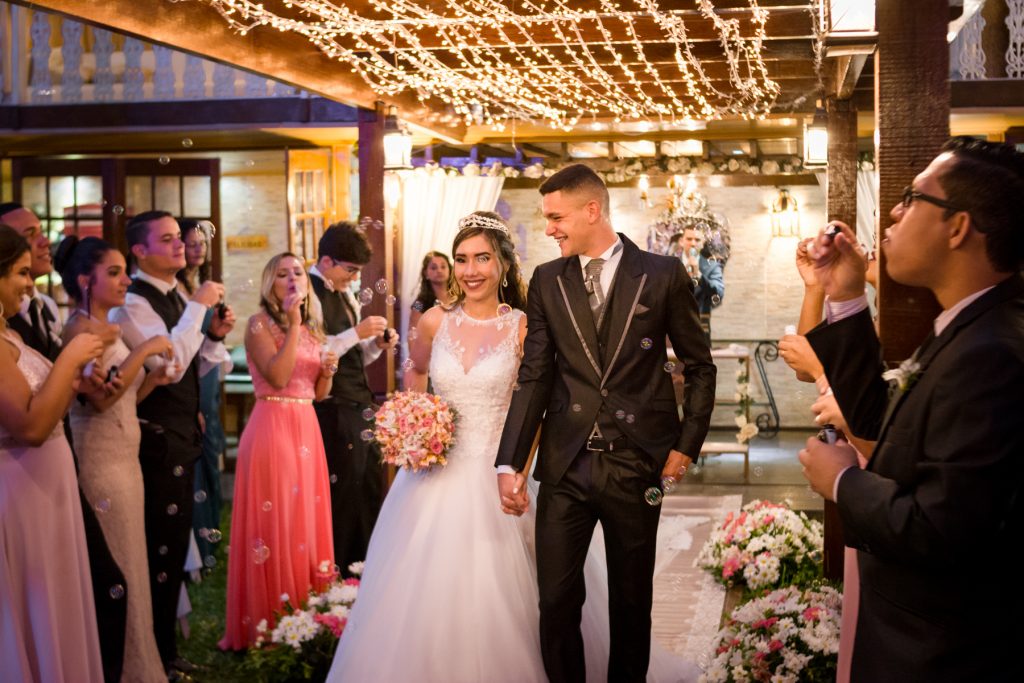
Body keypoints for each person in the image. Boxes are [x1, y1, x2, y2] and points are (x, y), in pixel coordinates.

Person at [798, 137, 1024, 681]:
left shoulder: (993, 351)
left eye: (911, 198)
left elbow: (942, 527)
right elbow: (882, 426)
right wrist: (846, 294)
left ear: (957, 226)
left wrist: (845, 482)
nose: (894, 212)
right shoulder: (966, 326)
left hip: (942, 650)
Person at [496, 164, 716, 683]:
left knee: (631, 603)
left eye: (556, 216)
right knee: (555, 601)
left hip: (636, 463)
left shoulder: (662, 275)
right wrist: (510, 461)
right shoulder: (548, 281)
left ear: (591, 210)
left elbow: (699, 367)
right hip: (565, 466)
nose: (549, 228)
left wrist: (687, 444)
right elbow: (534, 377)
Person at [1, 201, 129, 682]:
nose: (29, 282)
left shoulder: (8, 332)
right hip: (21, 495)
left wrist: (75, 377)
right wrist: (72, 356)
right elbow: (30, 428)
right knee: (34, 609)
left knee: (65, 601)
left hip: (47, 490)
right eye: (18, 273)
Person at [112, 210, 235, 676]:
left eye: (177, 238)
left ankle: (166, 650)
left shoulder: (174, 294)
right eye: (167, 240)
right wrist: (200, 307)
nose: (180, 245)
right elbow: (167, 367)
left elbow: (194, 365)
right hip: (155, 444)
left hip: (182, 435)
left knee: (171, 549)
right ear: (140, 251)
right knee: (158, 550)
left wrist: (212, 338)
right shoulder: (135, 303)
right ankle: (154, 655)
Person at [58, 235, 175, 683]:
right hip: (101, 461)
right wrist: (145, 351)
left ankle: (141, 663)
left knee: (135, 561)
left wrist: (153, 381)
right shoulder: (78, 330)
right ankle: (125, 671)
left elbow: (123, 397)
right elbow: (100, 403)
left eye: (125, 271)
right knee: (119, 565)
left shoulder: (109, 325)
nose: (126, 279)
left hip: (128, 456)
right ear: (85, 280)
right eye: (114, 272)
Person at [220, 252, 339, 649]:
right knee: (278, 521)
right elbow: (279, 376)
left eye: (298, 272)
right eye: (282, 274)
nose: (291, 279)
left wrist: (328, 371)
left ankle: (308, 616)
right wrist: (291, 325)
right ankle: (269, 620)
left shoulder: (312, 327)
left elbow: (318, 393)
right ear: (270, 283)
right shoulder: (259, 324)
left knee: (304, 517)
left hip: (307, 426)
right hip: (273, 427)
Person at [309, 223, 397, 574]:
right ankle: (341, 570)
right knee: (345, 494)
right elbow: (314, 353)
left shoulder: (342, 294)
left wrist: (373, 345)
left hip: (359, 404)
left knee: (368, 489)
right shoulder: (309, 295)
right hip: (333, 408)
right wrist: (355, 333)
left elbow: (350, 356)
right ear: (327, 260)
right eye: (350, 270)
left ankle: (366, 569)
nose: (354, 278)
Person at [176, 218, 231, 566]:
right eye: (189, 243)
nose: (197, 248)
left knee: (212, 450)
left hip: (206, 374)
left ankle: (211, 532)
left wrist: (218, 331)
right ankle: (199, 545)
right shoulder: (181, 290)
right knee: (197, 455)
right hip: (187, 375)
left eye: (201, 243)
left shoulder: (203, 285)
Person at [668, 227, 724, 341]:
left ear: (703, 243)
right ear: (681, 241)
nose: (693, 243)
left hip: (699, 329)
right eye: (689, 239)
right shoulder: (668, 264)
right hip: (669, 330)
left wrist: (698, 275)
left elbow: (718, 293)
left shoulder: (713, 266)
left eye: (697, 240)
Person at [409, 250, 452, 330]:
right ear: (426, 273)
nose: (439, 270)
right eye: (433, 268)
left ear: (450, 270)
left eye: (443, 267)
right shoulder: (419, 303)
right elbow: (412, 334)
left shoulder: (460, 297)